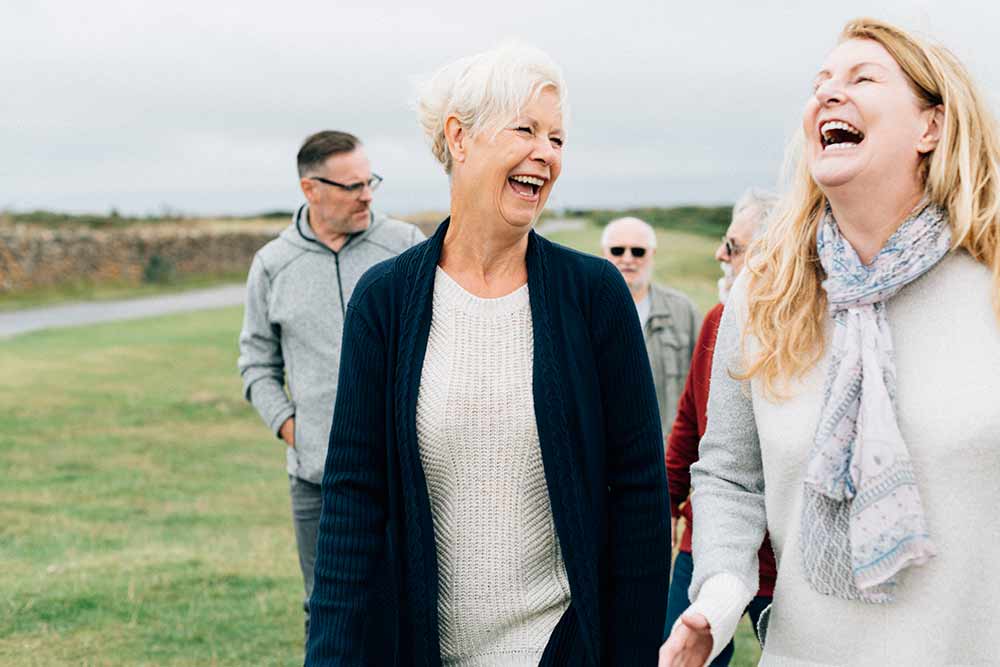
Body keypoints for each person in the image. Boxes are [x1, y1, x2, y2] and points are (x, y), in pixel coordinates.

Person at [305, 44, 671, 666]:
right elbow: (352, 501)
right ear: (460, 138)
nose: (546, 154)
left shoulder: (595, 296)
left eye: (557, 139)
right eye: (525, 129)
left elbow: (638, 494)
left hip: (558, 650)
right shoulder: (385, 302)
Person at [661, 17, 1000, 667]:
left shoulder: (991, 284)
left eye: (861, 78)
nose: (827, 94)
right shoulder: (764, 294)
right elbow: (730, 475)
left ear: (930, 125)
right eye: (820, 83)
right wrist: (721, 593)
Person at [237, 130, 423, 642]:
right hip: (316, 480)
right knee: (326, 611)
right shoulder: (273, 265)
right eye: (352, 186)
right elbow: (255, 361)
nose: (367, 196)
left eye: (371, 182)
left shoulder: (406, 247)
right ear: (310, 189)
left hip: (405, 473)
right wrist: (294, 428)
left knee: (410, 605)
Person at [662, 188, 779, 666]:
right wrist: (665, 505)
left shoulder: (815, 328)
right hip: (705, 543)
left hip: (787, 565)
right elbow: (690, 423)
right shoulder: (716, 322)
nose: (720, 255)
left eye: (733, 246)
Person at [601, 217, 700, 436]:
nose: (628, 259)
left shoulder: (684, 311)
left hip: (668, 456)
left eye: (638, 251)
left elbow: (703, 390)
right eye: (617, 250)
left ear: (652, 254)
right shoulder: (584, 312)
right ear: (604, 253)